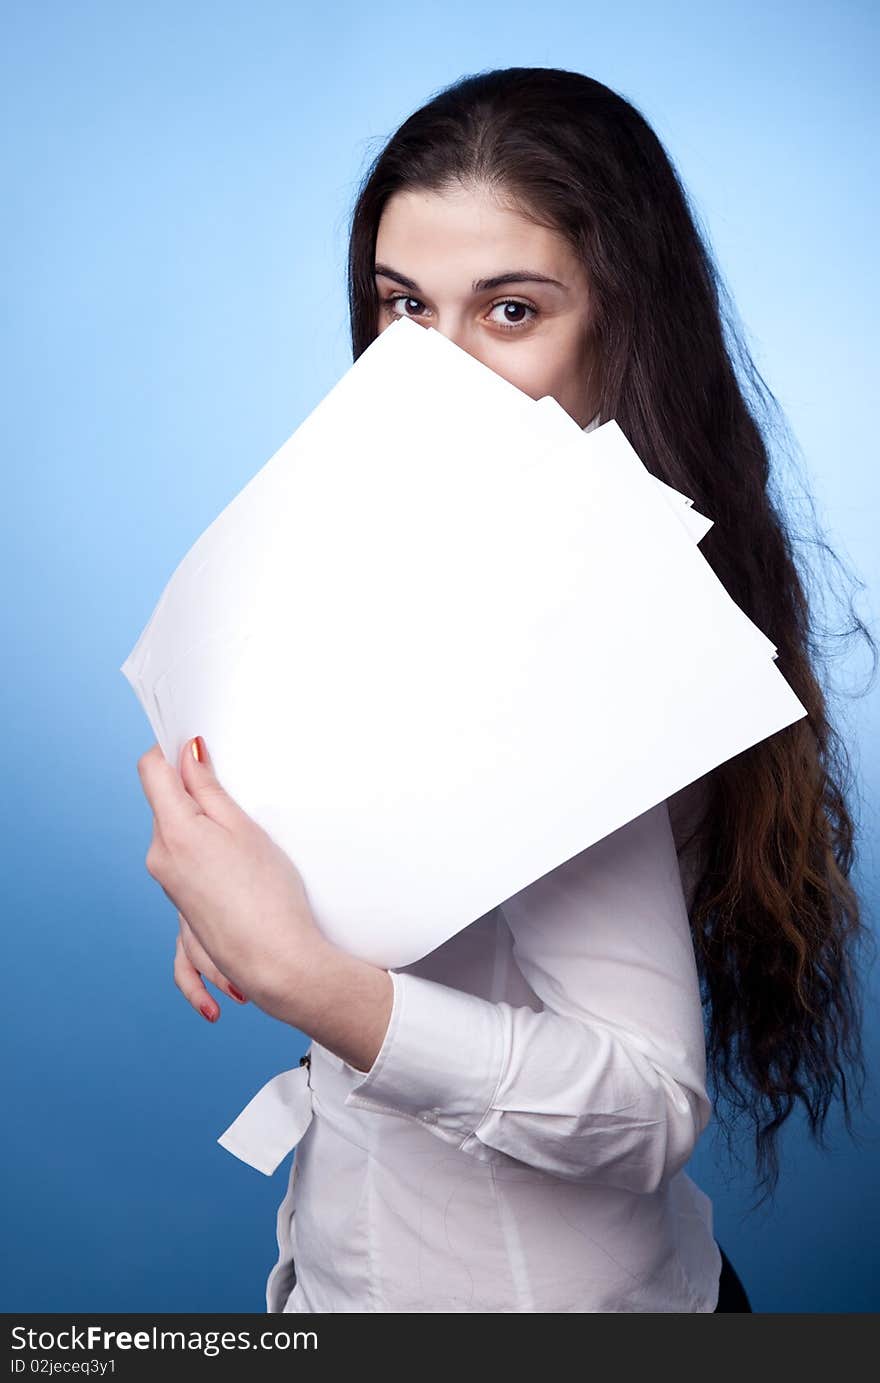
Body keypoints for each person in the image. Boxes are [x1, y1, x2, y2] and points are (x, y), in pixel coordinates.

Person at [138, 67, 874, 1313]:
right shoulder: (454, 555)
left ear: (624, 327)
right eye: (404, 310)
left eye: (513, 310)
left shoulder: (599, 645)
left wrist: (304, 973)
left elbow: (647, 1106)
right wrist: (280, 879)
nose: (441, 368)